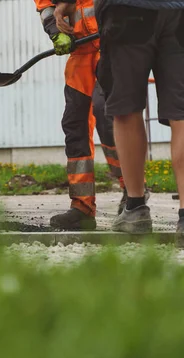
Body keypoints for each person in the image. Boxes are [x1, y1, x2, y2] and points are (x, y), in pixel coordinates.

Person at [54, 0, 184, 239]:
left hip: (127, 12)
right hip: (177, 11)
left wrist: (64, 4)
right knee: (182, 114)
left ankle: (135, 208)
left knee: (125, 109)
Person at [34, 0, 144, 231]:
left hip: (111, 46)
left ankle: (132, 190)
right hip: (80, 53)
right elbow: (45, 6)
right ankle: (82, 208)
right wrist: (56, 32)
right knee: (74, 125)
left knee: (108, 118)